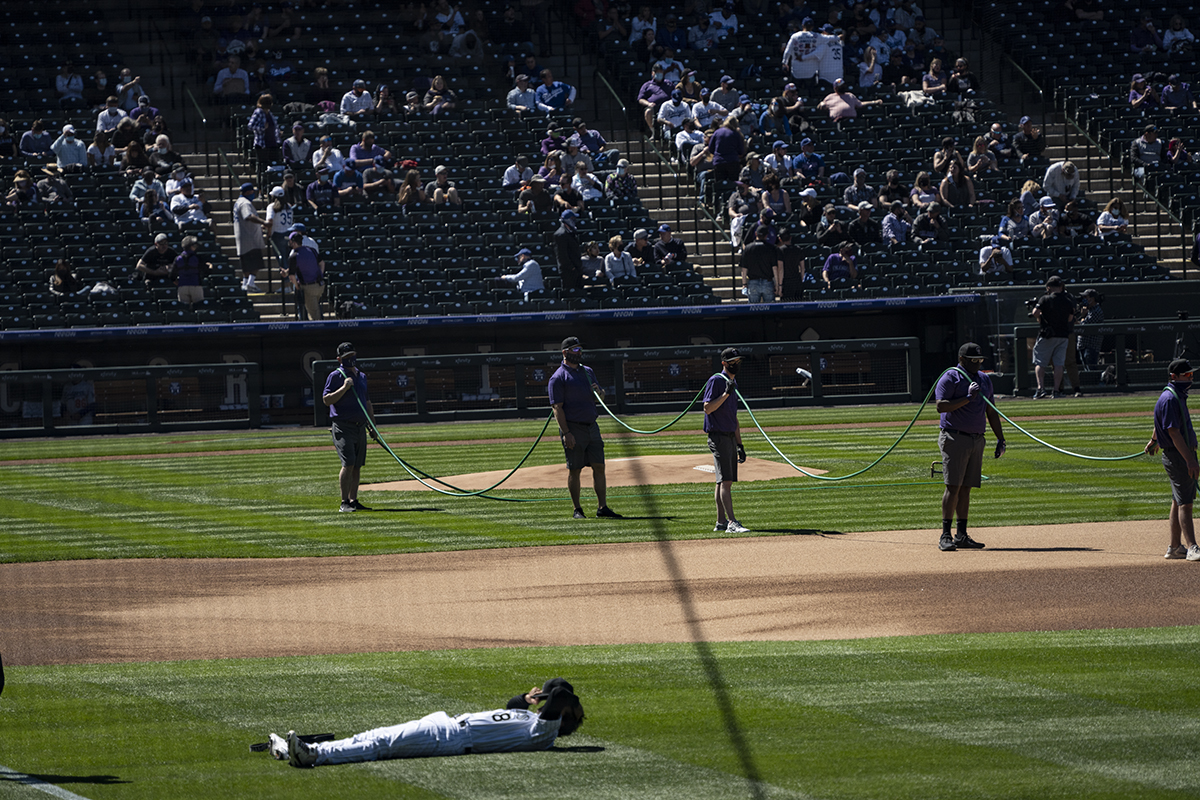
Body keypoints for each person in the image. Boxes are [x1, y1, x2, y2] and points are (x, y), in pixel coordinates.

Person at [279, 679, 584, 768]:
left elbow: (558, 692)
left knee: (379, 745)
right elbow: (515, 706)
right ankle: (313, 749)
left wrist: (567, 703)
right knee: (374, 736)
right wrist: (529, 698)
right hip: (445, 726)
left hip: (450, 739)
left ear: (562, 715)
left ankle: (313, 757)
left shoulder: (543, 736)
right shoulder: (532, 720)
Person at [935, 342, 1006, 551]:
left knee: (966, 487)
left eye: (980, 360)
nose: (977, 364)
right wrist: (966, 398)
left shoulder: (984, 380)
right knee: (953, 486)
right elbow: (941, 406)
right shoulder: (951, 377)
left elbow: (991, 411)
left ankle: (962, 534)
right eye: (973, 361)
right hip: (955, 437)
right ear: (962, 360)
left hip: (977, 439)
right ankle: (945, 535)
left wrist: (1000, 439)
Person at [549, 337, 621, 520]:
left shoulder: (588, 372)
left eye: (580, 349)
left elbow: (601, 397)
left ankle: (602, 507)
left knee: (599, 466)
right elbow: (557, 408)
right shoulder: (558, 377)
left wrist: (599, 392)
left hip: (592, 426)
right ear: (565, 353)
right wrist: (567, 433)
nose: (579, 353)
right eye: (574, 350)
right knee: (575, 468)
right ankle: (577, 509)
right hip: (573, 428)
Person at [1145, 358, 1198, 560]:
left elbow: (1163, 424)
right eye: (1187, 375)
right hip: (1178, 455)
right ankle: (1192, 546)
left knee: (1178, 500)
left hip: (1178, 453)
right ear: (1173, 377)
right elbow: (1173, 432)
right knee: (1186, 502)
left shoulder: (1175, 396)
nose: (1190, 378)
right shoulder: (1170, 399)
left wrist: (1153, 440)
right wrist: (1190, 460)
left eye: (1191, 375)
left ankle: (1175, 546)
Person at [322, 342, 378, 513]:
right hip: (343, 426)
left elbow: (367, 402)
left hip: (360, 426)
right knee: (348, 463)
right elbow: (327, 400)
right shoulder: (335, 375)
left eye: (352, 355)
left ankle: (353, 500)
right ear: (339, 359)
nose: (350, 359)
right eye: (346, 357)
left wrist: (373, 425)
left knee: (357, 465)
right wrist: (345, 387)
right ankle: (344, 502)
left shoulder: (361, 376)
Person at [702, 347, 749, 533]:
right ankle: (732, 522)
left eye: (738, 361)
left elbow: (733, 418)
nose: (736, 364)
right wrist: (725, 394)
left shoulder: (732, 382)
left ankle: (721, 522)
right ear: (724, 363)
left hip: (729, 436)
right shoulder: (717, 381)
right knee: (726, 481)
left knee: (721, 481)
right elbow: (707, 408)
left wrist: (740, 444)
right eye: (732, 362)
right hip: (718, 436)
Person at [1031, 275, 1075, 398]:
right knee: (1059, 363)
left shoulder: (1045, 299)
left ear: (1048, 287)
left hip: (1047, 334)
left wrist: (1041, 318)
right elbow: (1070, 318)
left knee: (1040, 361)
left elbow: (1035, 313)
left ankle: (1041, 389)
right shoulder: (1068, 300)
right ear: (1061, 287)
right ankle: (1056, 391)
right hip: (1063, 335)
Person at [233, 182, 267, 292]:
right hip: (249, 237)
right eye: (252, 191)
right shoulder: (244, 203)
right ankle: (250, 284)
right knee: (254, 263)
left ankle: (246, 284)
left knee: (246, 263)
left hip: (245, 235)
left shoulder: (239, 202)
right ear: (248, 192)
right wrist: (264, 222)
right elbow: (248, 216)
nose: (254, 194)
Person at [285, 231, 325, 320]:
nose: (289, 243)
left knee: (315, 315)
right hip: (320, 286)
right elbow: (322, 263)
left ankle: (319, 332)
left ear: (294, 242)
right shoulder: (311, 250)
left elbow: (291, 277)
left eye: (290, 241)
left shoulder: (294, 255)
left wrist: (297, 286)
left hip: (308, 287)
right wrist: (321, 274)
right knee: (315, 309)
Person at [740, 227, 783, 302]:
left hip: (753, 282)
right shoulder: (771, 248)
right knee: (770, 309)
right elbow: (774, 268)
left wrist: (744, 284)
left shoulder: (748, 248)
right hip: (768, 282)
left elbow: (744, 268)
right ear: (767, 235)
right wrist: (777, 284)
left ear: (756, 234)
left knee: (753, 309)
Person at [170, 235, 210, 309]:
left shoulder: (178, 259)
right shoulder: (197, 258)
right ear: (192, 246)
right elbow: (205, 269)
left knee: (184, 309)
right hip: (195, 285)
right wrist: (209, 266)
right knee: (199, 308)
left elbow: (172, 275)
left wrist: (179, 283)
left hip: (182, 286)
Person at [1076, 289, 1104, 369]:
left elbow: (1084, 326)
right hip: (1083, 344)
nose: (1084, 299)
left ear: (1092, 299)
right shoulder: (1089, 310)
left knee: (1091, 369)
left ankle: (1095, 382)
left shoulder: (1096, 311)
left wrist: (1083, 316)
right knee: (1086, 368)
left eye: (1086, 297)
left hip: (1091, 345)